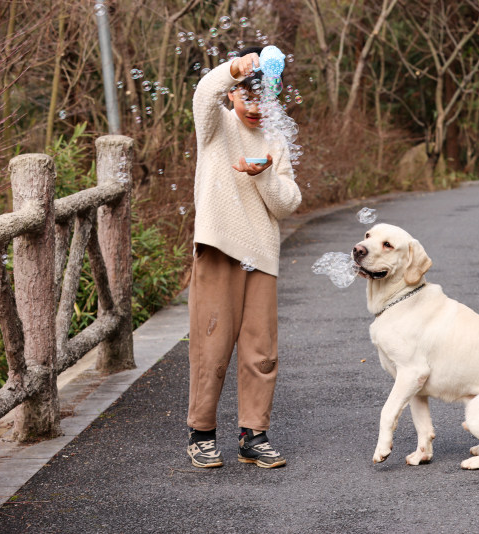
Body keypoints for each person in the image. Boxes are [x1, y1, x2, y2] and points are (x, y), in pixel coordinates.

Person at [186, 46, 301, 469]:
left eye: (263, 98)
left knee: (261, 349)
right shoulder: (215, 126)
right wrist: (235, 69)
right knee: (211, 343)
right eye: (246, 97)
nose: (255, 107)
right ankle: (201, 432)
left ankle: (254, 434)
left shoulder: (276, 139)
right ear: (232, 95)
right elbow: (203, 93)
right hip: (218, 245)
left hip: (263, 254)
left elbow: (288, 202)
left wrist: (265, 172)